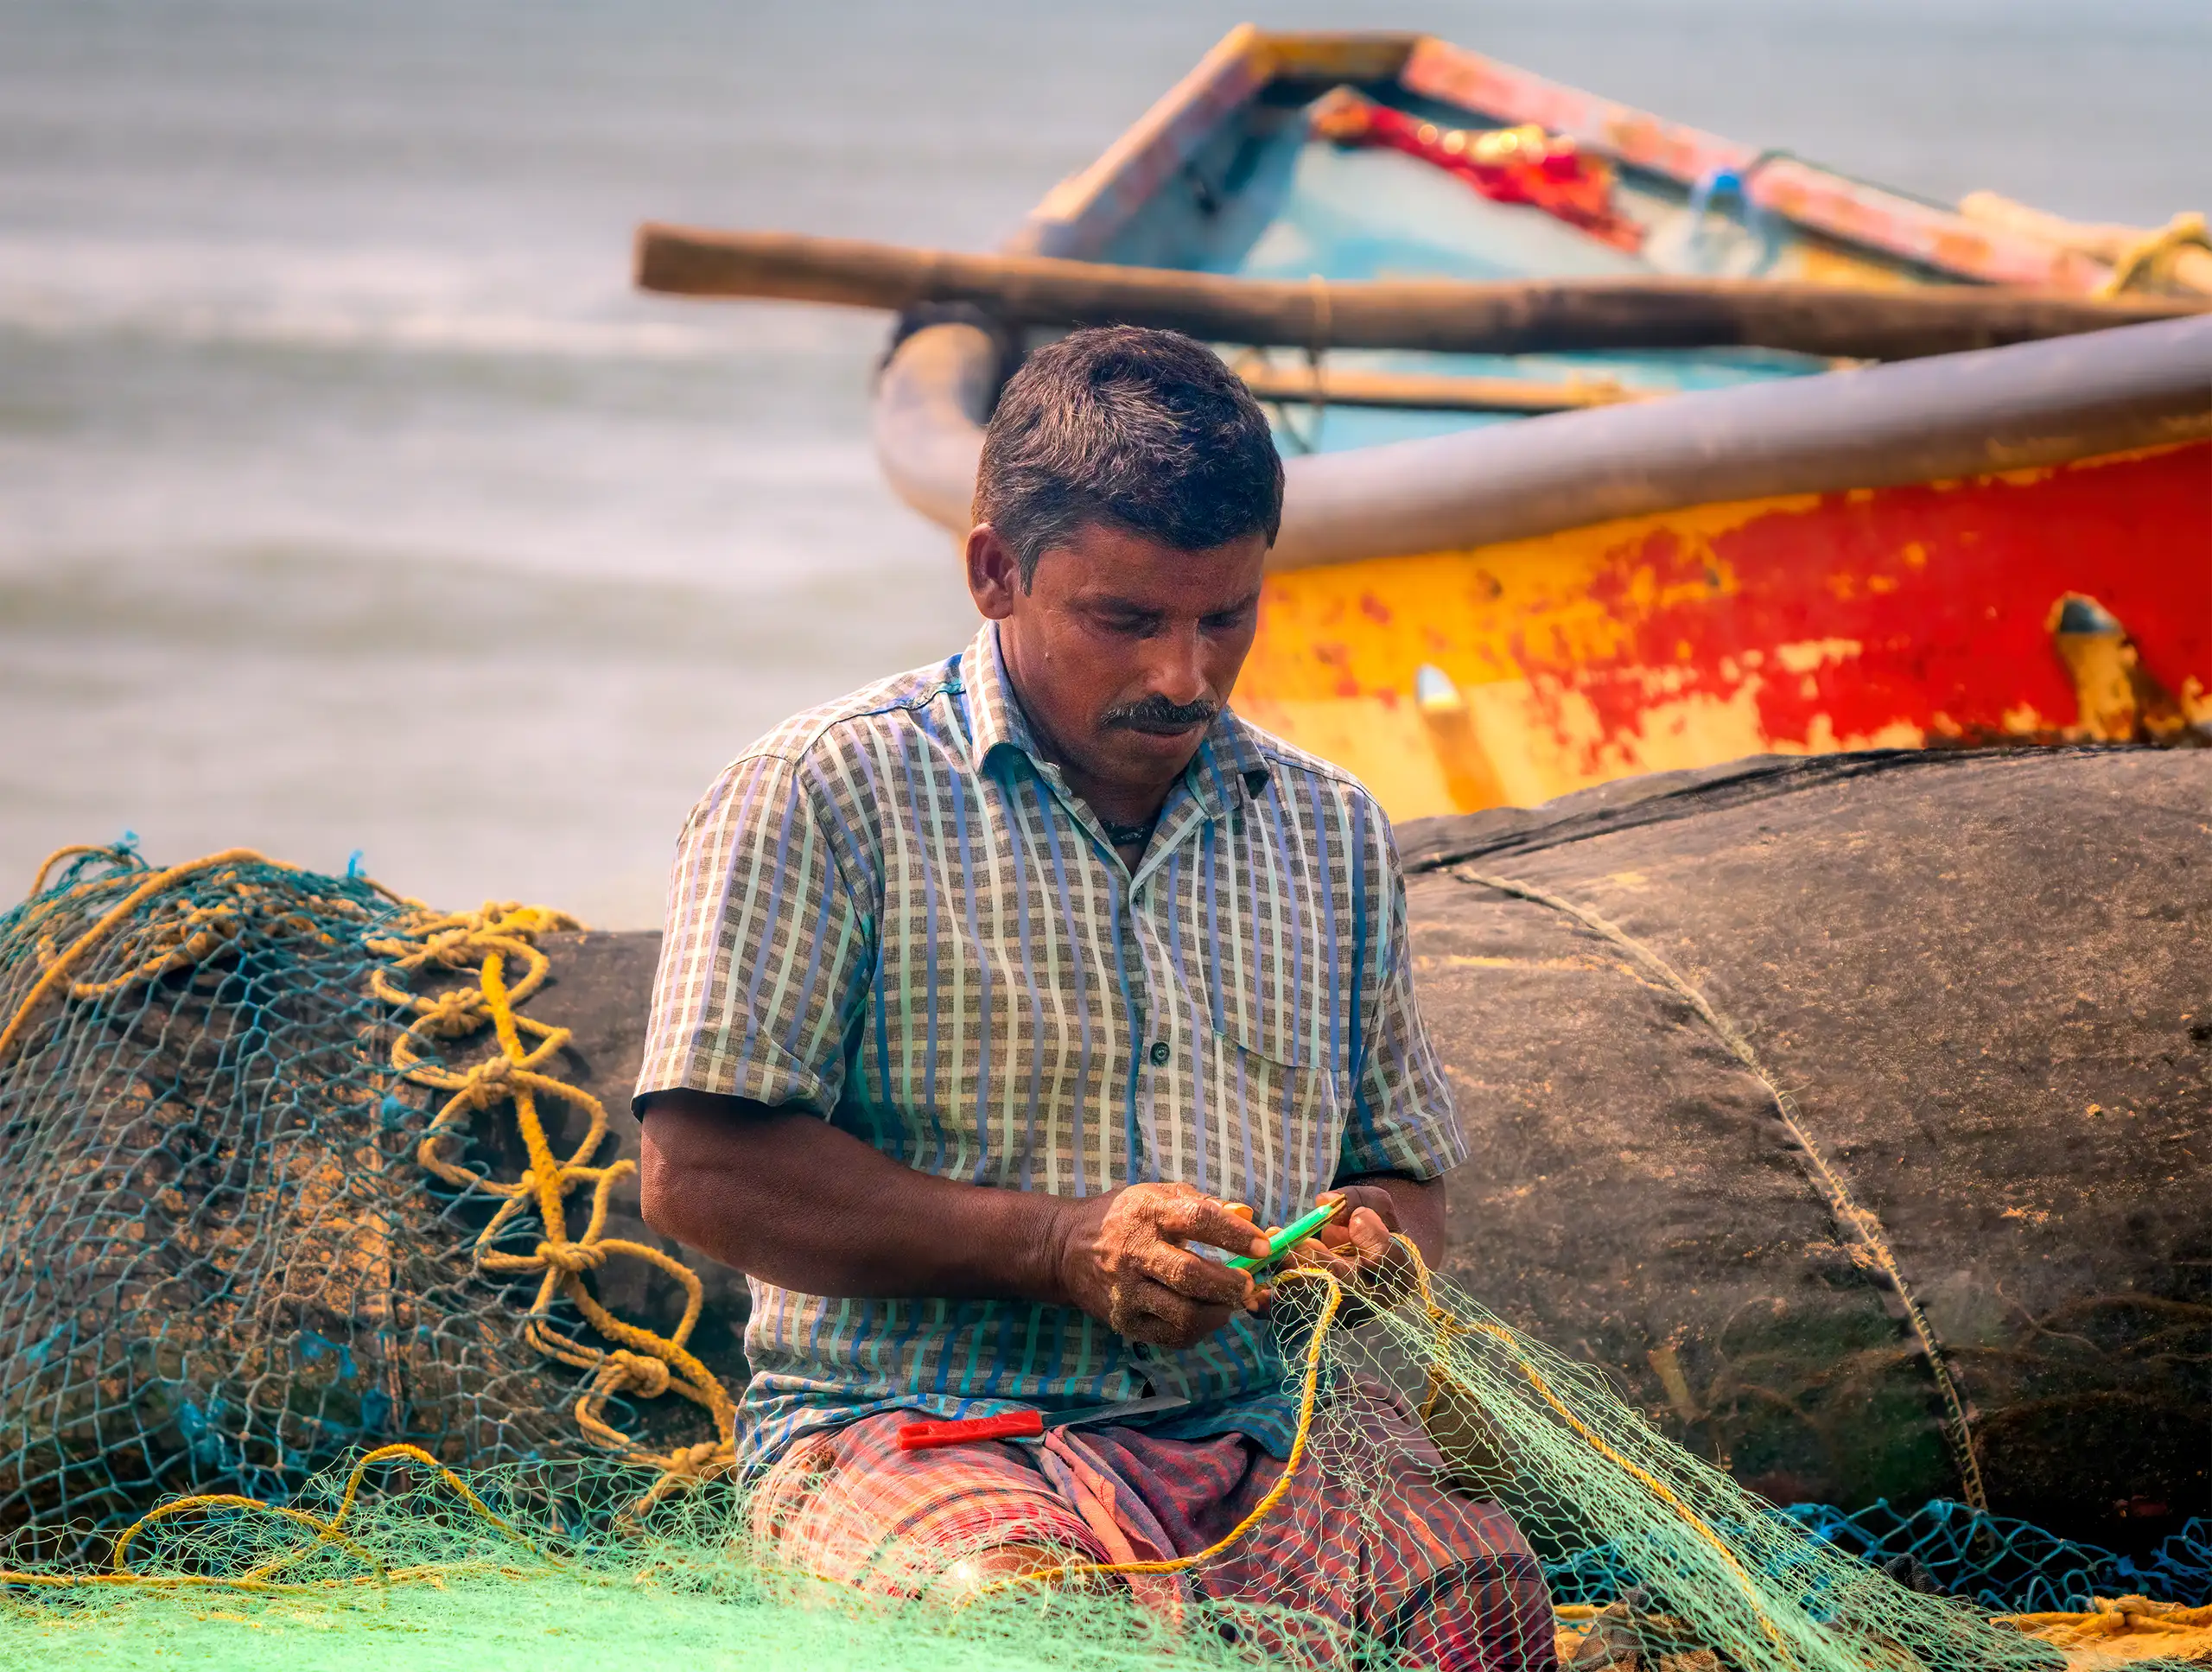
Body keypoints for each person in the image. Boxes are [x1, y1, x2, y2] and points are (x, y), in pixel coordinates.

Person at [635, 325, 1548, 1667]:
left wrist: (1360, 1248)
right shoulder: (826, 792)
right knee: (1028, 1621)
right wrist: (1060, 1245)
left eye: (1224, 617)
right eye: (1127, 620)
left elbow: (1404, 1180)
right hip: (922, 1430)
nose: (1184, 675)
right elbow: (700, 1174)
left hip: (1260, 1435)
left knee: (1475, 1601)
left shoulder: (1331, 828)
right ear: (995, 571)